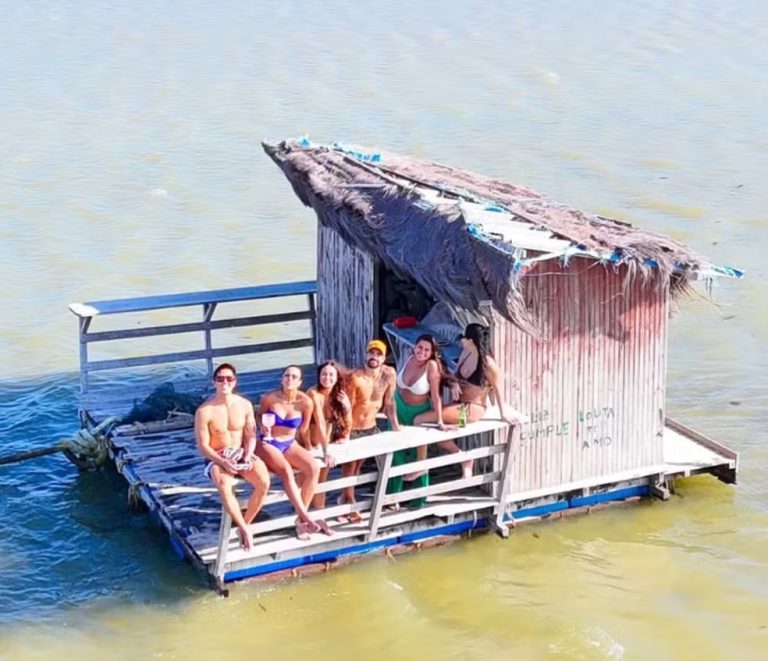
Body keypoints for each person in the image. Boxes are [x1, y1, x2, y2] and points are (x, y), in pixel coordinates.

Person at [414, 323, 519, 476]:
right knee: (434, 429)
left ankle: (440, 462)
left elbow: (498, 387)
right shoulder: (466, 353)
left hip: (471, 409)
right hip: (458, 405)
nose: (461, 340)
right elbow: (453, 376)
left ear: (470, 340)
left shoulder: (488, 364)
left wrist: (503, 413)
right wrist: (454, 383)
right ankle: (461, 458)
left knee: (420, 420)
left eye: (463, 338)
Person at [194, 363, 271, 552]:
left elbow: (251, 435)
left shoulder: (244, 405)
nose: (224, 382)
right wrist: (223, 462)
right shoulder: (205, 411)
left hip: (241, 452)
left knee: (264, 482)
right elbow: (203, 446)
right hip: (217, 456)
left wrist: (247, 454)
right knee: (224, 485)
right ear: (214, 382)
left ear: (235, 381)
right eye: (220, 379)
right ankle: (245, 529)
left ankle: (244, 524)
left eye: (229, 379)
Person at [256, 365, 332, 540]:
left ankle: (300, 520)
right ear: (282, 379)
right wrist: (263, 428)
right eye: (287, 376)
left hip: (289, 442)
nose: (289, 379)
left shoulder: (305, 402)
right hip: (269, 442)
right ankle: (306, 517)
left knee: (313, 467)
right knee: (287, 471)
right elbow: (260, 417)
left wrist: (316, 448)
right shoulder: (270, 398)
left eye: (294, 376)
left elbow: (303, 429)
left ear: (300, 381)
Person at [386, 334, 448, 508]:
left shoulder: (432, 366)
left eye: (427, 350)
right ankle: (393, 498)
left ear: (431, 353)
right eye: (420, 347)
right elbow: (397, 386)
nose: (422, 352)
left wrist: (440, 420)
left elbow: (436, 396)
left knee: (418, 455)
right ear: (415, 346)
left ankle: (419, 499)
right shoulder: (410, 357)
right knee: (395, 453)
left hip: (418, 412)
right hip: (398, 408)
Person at [341, 339, 400, 515]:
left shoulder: (389, 374)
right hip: (353, 427)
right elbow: (348, 407)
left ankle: (387, 498)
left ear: (383, 358)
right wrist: (345, 432)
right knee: (351, 468)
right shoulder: (356, 377)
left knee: (384, 462)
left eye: (378, 354)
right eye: (371, 353)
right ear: (366, 355)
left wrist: (396, 426)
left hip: (372, 427)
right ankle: (349, 503)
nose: (374, 357)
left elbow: (389, 403)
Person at [307, 360, 352, 510]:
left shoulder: (337, 394)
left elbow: (348, 422)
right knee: (306, 481)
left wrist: (347, 406)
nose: (327, 378)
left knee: (322, 480)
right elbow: (319, 421)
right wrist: (325, 451)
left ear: (337, 376)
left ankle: (319, 515)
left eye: (331, 374)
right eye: (324, 374)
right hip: (311, 443)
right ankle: (303, 516)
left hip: (327, 440)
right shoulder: (313, 393)